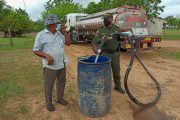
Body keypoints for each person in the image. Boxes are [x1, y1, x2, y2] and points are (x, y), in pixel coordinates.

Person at [33, 14, 68, 111]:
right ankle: (48, 103)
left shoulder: (59, 34)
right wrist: (47, 56)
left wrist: (64, 31)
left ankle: (59, 98)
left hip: (61, 64)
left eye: (57, 23)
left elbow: (68, 43)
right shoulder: (41, 35)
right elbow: (36, 50)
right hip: (50, 66)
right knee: (49, 85)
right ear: (49, 24)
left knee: (61, 82)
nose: (57, 25)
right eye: (55, 24)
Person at [94, 13, 125, 94]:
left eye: (106, 19)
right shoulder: (101, 29)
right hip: (104, 54)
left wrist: (122, 37)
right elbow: (96, 41)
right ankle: (104, 87)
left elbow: (121, 39)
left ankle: (117, 86)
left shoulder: (117, 29)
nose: (104, 21)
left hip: (115, 54)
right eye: (104, 19)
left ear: (111, 19)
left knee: (116, 71)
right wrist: (103, 39)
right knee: (103, 72)